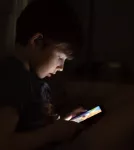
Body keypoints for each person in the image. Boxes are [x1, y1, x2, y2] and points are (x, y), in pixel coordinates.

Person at [0, 0, 84, 150]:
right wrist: (51, 134)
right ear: (37, 41)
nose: (61, 68)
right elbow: (4, 142)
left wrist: (63, 123)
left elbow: (36, 126)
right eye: (60, 58)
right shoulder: (14, 79)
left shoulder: (32, 79)